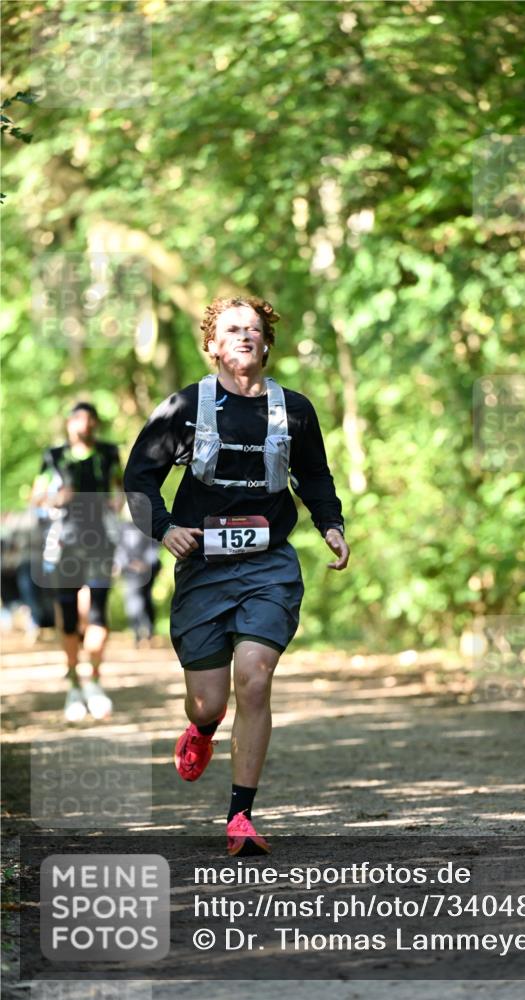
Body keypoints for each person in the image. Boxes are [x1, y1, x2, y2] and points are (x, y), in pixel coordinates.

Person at [124, 295, 349, 856]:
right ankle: (200, 730)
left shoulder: (294, 409)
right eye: (232, 329)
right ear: (212, 345)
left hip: (269, 562)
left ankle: (241, 815)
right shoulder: (183, 408)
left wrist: (331, 525)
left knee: (255, 674)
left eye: (253, 328)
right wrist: (165, 528)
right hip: (203, 566)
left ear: (266, 343)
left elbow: (315, 476)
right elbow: (138, 479)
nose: (244, 336)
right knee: (209, 702)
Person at [31, 402, 123, 722]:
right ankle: (73, 683)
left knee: (97, 613)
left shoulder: (109, 453)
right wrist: (58, 498)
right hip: (65, 544)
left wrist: (117, 503)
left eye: (89, 419)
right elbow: (37, 496)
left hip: (100, 542)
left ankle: (94, 681)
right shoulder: (54, 456)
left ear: (96, 423)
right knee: (69, 617)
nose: (83, 425)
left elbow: (120, 488)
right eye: (77, 419)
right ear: (69, 423)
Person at [115, 518, 161, 646]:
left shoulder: (148, 525)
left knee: (146, 599)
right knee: (132, 601)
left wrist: (146, 564)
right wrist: (121, 564)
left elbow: (154, 546)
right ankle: (136, 635)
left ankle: (149, 632)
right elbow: (120, 548)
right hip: (129, 570)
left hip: (147, 571)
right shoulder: (123, 526)